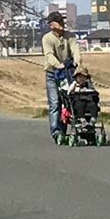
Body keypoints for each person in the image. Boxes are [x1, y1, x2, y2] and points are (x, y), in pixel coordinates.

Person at [43, 11, 82, 144]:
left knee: (67, 101)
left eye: (62, 21)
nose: (62, 23)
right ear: (51, 25)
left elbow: (75, 49)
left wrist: (77, 62)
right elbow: (49, 54)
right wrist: (58, 65)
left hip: (68, 73)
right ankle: (56, 131)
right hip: (52, 73)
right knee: (55, 103)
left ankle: (64, 130)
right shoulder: (47, 38)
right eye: (58, 21)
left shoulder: (70, 36)